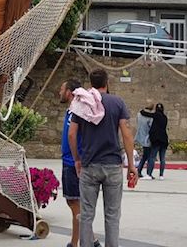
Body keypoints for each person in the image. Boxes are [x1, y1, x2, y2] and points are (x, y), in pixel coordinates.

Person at [69, 69, 136, 247]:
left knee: (86, 215)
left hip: (89, 165)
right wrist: (131, 164)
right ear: (107, 82)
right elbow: (127, 134)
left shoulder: (82, 103)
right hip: (113, 165)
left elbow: (71, 134)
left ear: (91, 83)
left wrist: (77, 159)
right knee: (112, 216)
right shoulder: (117, 102)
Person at [59, 79, 100, 247]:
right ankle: (92, 240)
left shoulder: (77, 112)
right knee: (73, 202)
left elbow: (72, 135)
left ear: (69, 92)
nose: (59, 92)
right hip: (69, 161)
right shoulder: (71, 111)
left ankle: (75, 243)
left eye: (62, 89)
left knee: (76, 203)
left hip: (72, 162)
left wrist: (77, 159)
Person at [142, 103, 169, 180]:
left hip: (157, 140)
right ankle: (161, 175)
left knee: (152, 156)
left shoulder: (156, 115)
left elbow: (146, 114)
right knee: (162, 158)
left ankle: (149, 174)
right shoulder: (165, 117)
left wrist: (142, 110)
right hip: (164, 139)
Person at [135, 101, 154, 180]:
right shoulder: (150, 116)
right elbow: (151, 127)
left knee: (145, 155)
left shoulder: (139, 114)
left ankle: (139, 170)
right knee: (149, 156)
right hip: (147, 138)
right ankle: (148, 173)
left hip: (140, 136)